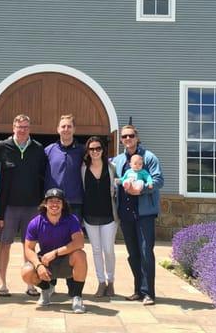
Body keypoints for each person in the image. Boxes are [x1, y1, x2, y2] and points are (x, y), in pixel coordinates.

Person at [112, 125, 164, 306]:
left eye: (131, 135)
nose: (128, 139)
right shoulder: (118, 160)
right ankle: (137, 290)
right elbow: (113, 178)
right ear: (121, 140)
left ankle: (148, 292)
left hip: (145, 214)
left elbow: (158, 180)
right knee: (133, 254)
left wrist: (140, 191)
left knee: (145, 253)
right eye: (124, 136)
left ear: (137, 137)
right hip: (126, 214)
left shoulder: (149, 157)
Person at [0, 114, 46, 297]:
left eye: (26, 126)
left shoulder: (38, 148)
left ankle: (30, 284)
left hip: (32, 206)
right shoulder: (2, 147)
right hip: (9, 206)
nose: (22, 130)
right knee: (4, 244)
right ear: (13, 127)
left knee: (29, 247)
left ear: (30, 128)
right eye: (19, 126)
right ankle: (2, 284)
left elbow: (43, 176)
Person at [21, 188, 87, 314]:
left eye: (58, 201)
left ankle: (77, 297)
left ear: (63, 205)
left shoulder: (71, 219)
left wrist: (55, 253)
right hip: (46, 263)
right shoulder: (35, 222)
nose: (54, 204)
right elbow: (29, 248)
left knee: (80, 255)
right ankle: (46, 290)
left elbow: (79, 243)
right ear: (45, 204)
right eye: (51, 201)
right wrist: (38, 265)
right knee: (26, 272)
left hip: (67, 261)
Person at [81, 136, 118, 298]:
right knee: (96, 250)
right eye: (92, 149)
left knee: (108, 250)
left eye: (98, 148)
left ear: (103, 150)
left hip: (109, 215)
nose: (95, 151)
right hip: (89, 215)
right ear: (88, 151)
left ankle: (111, 282)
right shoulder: (83, 168)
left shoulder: (112, 167)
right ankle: (101, 283)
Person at [44, 114, 85, 219]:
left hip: (75, 203)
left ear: (74, 129)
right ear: (58, 129)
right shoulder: (48, 151)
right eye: (63, 126)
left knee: (74, 235)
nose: (66, 129)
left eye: (69, 126)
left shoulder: (83, 151)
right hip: (53, 202)